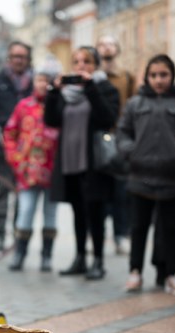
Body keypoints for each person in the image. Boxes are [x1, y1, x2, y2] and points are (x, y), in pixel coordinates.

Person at [118, 54, 175, 295]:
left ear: (172, 76)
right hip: (140, 177)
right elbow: (123, 133)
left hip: (174, 178)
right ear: (147, 77)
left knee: (174, 229)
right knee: (138, 228)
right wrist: (131, 152)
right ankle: (135, 272)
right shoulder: (135, 104)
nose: (159, 80)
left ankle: (174, 274)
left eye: (163, 74)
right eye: (154, 75)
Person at [44, 46, 119, 280]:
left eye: (86, 62)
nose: (80, 66)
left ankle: (98, 260)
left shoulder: (104, 88)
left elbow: (108, 118)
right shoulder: (66, 92)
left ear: (95, 65)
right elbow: (51, 120)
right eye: (76, 62)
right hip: (70, 159)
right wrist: (53, 92)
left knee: (95, 212)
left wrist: (91, 88)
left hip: (93, 161)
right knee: (78, 211)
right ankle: (80, 258)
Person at [3, 68, 60, 272]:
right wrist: (15, 158)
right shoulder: (23, 106)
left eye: (47, 81)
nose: (43, 84)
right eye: (39, 80)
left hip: (53, 169)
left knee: (50, 213)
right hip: (28, 170)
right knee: (26, 210)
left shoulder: (59, 105)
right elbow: (10, 133)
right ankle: (20, 253)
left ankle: (47, 255)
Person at [0, 41, 34, 251]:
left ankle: (18, 234)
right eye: (15, 56)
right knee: (3, 190)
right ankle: (0, 233)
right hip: (2, 145)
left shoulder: (34, 82)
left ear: (28, 59)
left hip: (28, 148)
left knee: (21, 192)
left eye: (22, 56)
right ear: (9, 58)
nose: (18, 60)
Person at [96, 34, 137, 256]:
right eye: (102, 44)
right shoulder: (93, 76)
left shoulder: (126, 77)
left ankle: (121, 235)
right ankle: (97, 236)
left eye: (110, 44)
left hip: (119, 137)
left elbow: (133, 105)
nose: (106, 48)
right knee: (99, 191)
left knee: (121, 192)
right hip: (97, 139)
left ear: (117, 49)